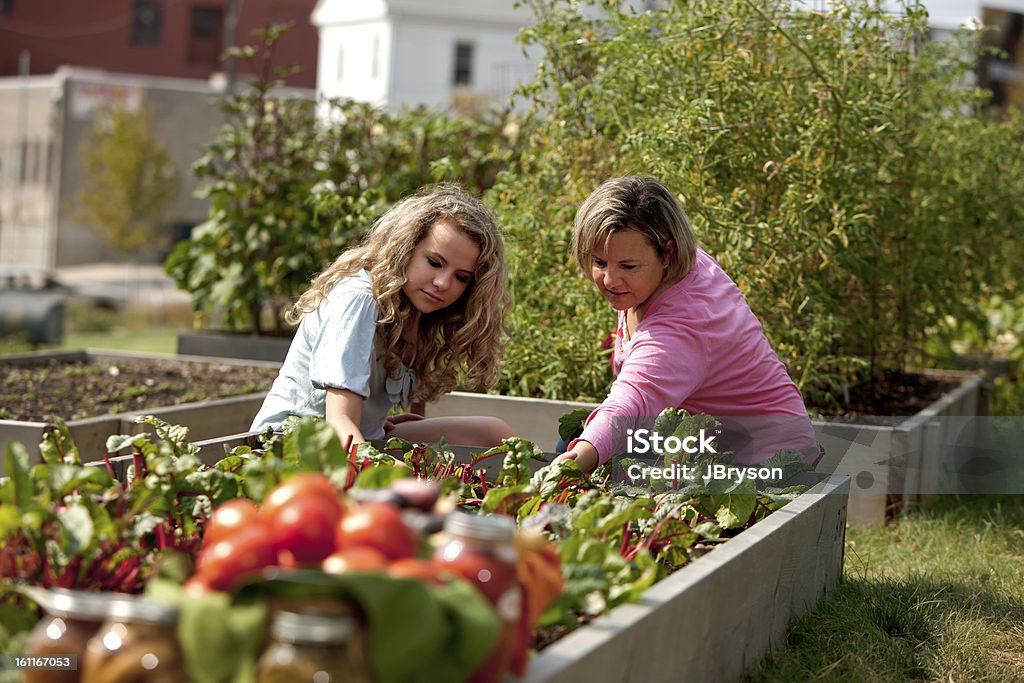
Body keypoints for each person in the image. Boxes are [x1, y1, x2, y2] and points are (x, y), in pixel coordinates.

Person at [552, 176, 820, 475]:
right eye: (600, 262)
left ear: (667, 253)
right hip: (713, 440)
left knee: (577, 448)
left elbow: (635, 401)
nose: (610, 280)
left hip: (763, 466)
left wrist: (576, 463)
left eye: (628, 266)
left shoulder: (682, 324)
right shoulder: (661, 272)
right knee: (578, 440)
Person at [250, 185, 514, 449]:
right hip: (297, 444)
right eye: (434, 262)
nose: (443, 283)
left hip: (359, 438)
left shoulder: (420, 313)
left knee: (492, 432)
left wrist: (376, 421)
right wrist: (391, 478)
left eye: (461, 277)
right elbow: (338, 420)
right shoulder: (359, 299)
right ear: (405, 247)